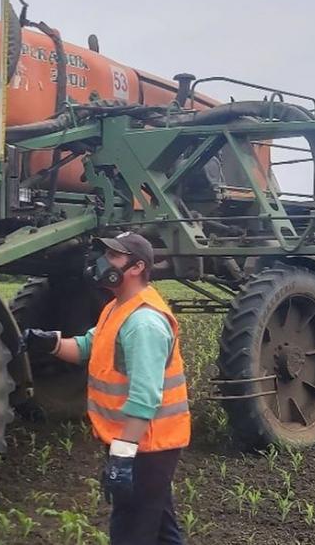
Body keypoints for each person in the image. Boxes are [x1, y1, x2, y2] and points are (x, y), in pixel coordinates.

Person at [23, 232, 191, 545]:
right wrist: (51, 343)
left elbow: (145, 400)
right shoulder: (118, 308)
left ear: (136, 267)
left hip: (148, 446)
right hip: (138, 443)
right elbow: (88, 345)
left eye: (113, 256)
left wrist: (122, 458)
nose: (102, 262)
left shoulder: (143, 323)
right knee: (160, 527)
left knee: (130, 531)